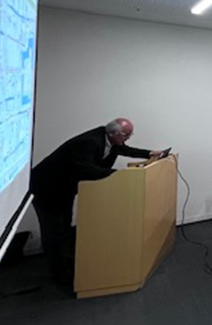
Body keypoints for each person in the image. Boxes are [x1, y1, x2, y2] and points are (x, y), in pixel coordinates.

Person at [30, 118, 164, 284]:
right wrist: (119, 175)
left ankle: (65, 262)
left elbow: (125, 150)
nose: (128, 138)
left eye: (130, 134)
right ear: (113, 133)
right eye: (126, 134)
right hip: (47, 189)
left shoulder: (111, 140)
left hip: (65, 189)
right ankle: (58, 272)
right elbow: (86, 169)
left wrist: (150, 153)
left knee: (64, 225)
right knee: (53, 230)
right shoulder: (89, 142)